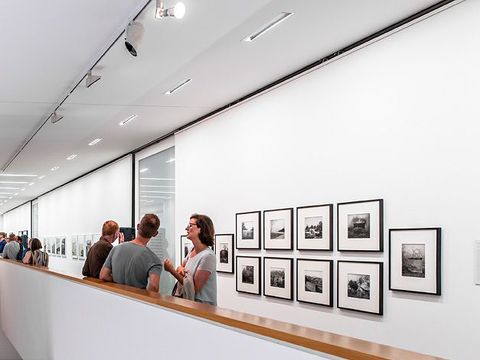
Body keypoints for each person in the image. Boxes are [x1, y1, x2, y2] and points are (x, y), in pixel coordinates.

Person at [164, 213, 217, 306]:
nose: (186, 228)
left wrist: (171, 270)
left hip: (202, 308)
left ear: (201, 229)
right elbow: (181, 268)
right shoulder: (191, 250)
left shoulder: (208, 256)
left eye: (190, 225)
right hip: (188, 304)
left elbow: (194, 288)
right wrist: (179, 269)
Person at [99, 214, 162, 292]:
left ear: (138, 226)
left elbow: (103, 275)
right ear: (155, 234)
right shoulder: (154, 260)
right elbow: (153, 287)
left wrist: (118, 283)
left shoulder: (116, 249)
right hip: (136, 301)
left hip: (116, 298)